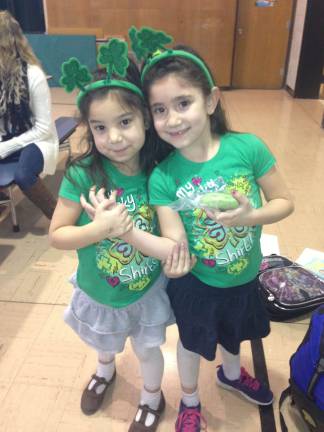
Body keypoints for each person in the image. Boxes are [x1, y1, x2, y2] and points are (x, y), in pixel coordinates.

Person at [111, 27, 294, 431]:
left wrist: (250, 217)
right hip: (196, 284)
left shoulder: (248, 148)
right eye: (159, 110)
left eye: (183, 103)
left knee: (236, 333)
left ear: (210, 100)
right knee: (192, 344)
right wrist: (174, 262)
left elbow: (285, 202)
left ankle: (231, 374)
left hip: (244, 274)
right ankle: (190, 399)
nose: (172, 119)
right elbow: (174, 239)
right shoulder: (163, 177)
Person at [49, 40, 191, 432]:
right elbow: (57, 235)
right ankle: (104, 369)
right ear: (88, 128)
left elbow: (172, 242)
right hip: (99, 291)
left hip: (144, 290)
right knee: (102, 340)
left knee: (147, 350)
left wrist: (126, 231)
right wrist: (99, 229)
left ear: (146, 119)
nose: (113, 137)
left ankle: (151, 397)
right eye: (99, 127)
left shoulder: (159, 173)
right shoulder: (82, 174)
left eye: (124, 122)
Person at [0, 10, 58, 219]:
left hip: (36, 139)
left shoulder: (33, 75)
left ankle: (57, 216)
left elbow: (43, 128)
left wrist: (6, 147)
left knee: (23, 175)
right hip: (6, 139)